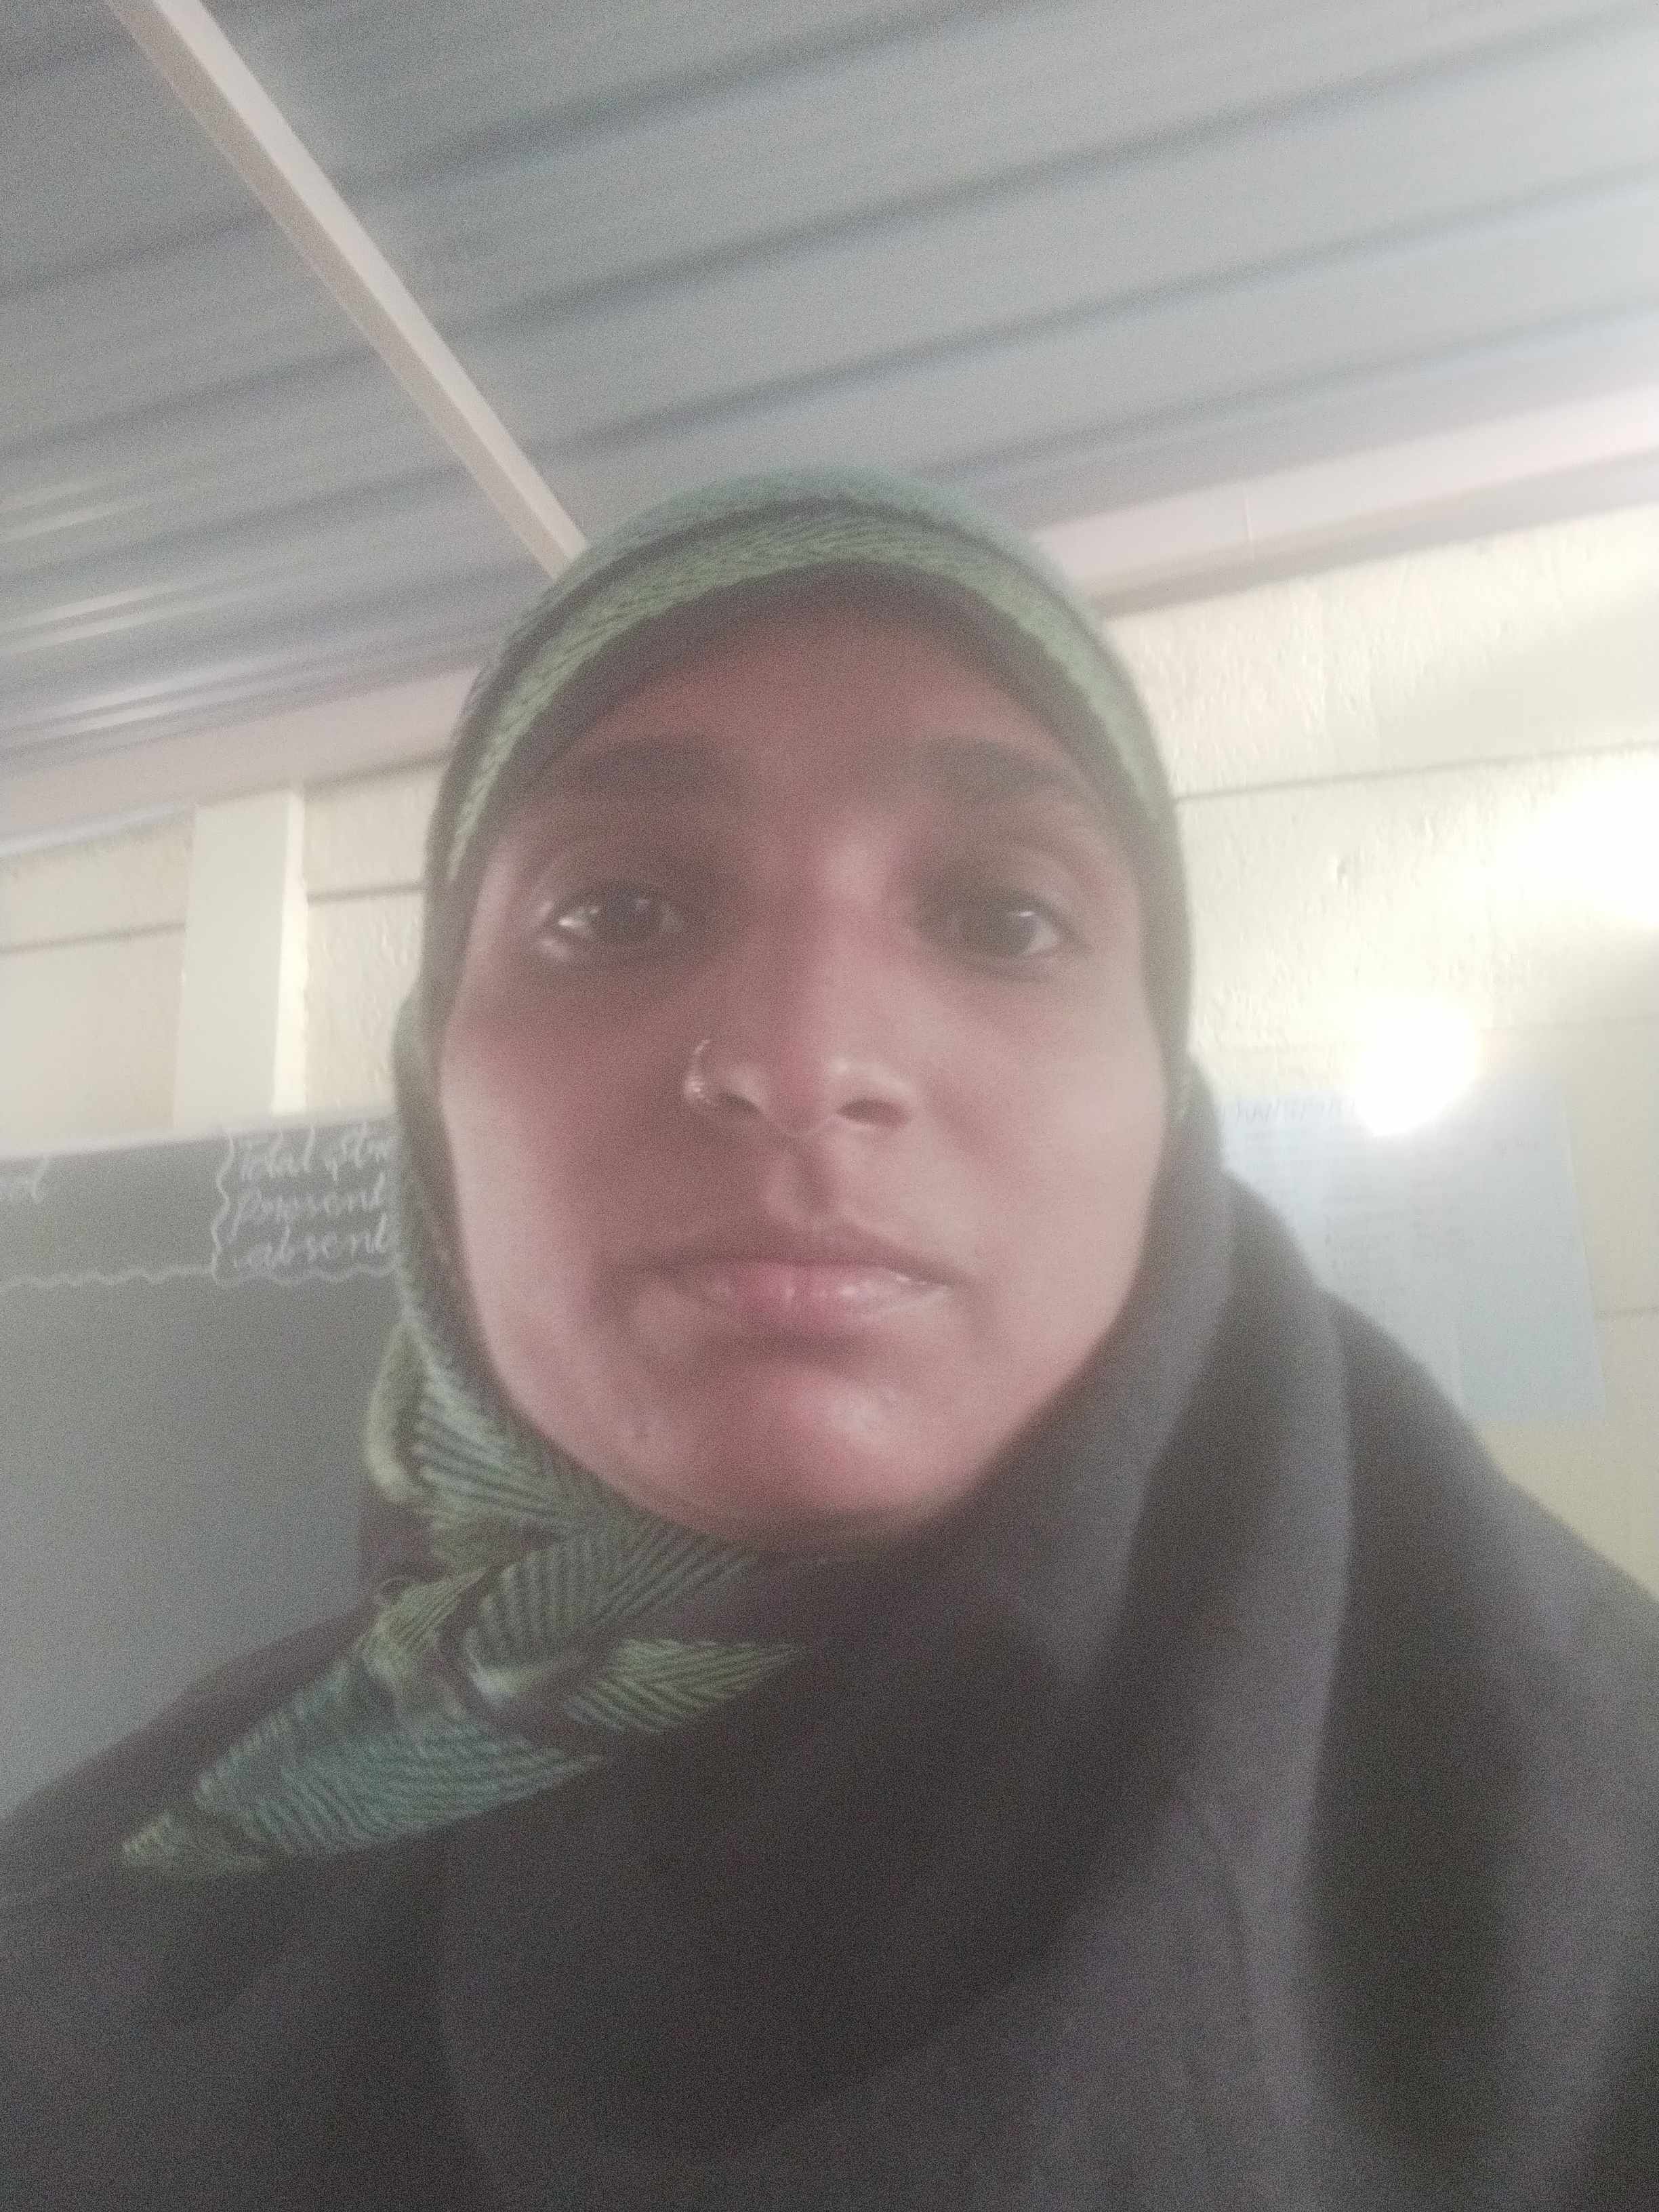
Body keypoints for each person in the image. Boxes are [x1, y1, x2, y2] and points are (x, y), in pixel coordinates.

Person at [2, 469, 1656, 2209]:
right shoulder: (121, 1922)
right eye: (617, 910)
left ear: (1161, 1103)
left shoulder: (1593, 1846)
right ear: (433, 1091)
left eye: (1003, 917)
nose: (802, 1060)